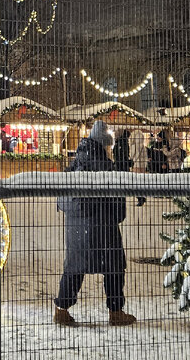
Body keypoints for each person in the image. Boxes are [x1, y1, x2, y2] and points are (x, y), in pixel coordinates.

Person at [53, 121, 136, 327]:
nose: (110, 150)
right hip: (103, 228)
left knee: (74, 267)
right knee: (114, 267)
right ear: (102, 145)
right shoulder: (105, 166)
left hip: (77, 229)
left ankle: (61, 310)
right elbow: (117, 205)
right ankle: (116, 312)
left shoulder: (76, 164)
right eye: (109, 146)